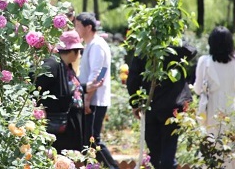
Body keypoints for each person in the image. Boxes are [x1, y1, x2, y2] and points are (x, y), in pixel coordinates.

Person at [127, 40, 197, 169]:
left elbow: (133, 77)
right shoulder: (175, 47)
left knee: (155, 153)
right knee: (168, 151)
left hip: (151, 105)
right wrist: (175, 40)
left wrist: (135, 103)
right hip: (173, 106)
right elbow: (192, 50)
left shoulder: (144, 47)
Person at [35, 30, 103, 153]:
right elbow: (34, 84)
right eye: (78, 51)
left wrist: (88, 87)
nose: (79, 54)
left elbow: (70, 89)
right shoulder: (53, 65)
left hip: (70, 127)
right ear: (72, 51)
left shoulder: (66, 66)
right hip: (59, 129)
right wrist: (38, 107)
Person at [193, 26, 235, 168]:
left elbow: (197, 89)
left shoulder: (204, 61)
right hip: (234, 108)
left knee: (213, 149)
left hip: (212, 110)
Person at [75, 12, 119, 169]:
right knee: (89, 141)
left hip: (95, 100)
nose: (76, 29)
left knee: (93, 140)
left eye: (78, 25)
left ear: (88, 27)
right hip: (92, 99)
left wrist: (87, 99)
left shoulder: (97, 45)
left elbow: (97, 74)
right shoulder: (91, 44)